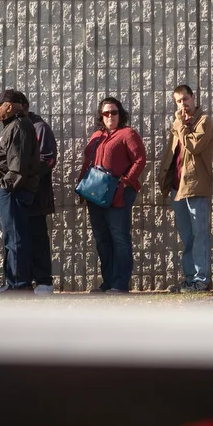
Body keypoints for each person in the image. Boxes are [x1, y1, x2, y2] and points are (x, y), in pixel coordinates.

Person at [79, 96, 146, 293]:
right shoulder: (96, 136)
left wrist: (125, 183)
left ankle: (120, 283)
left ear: (120, 114)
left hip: (118, 195)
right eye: (106, 113)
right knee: (102, 239)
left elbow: (140, 159)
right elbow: (87, 163)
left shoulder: (127, 134)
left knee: (120, 238)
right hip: (95, 194)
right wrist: (82, 185)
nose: (110, 116)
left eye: (114, 112)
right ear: (101, 116)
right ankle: (107, 282)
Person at [157, 84, 213, 293]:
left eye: (185, 99)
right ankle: (190, 278)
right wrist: (163, 178)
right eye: (179, 101)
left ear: (193, 97)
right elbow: (172, 154)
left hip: (196, 185)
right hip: (177, 187)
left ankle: (202, 279)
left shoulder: (204, 121)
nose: (183, 105)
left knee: (200, 234)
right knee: (187, 236)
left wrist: (180, 125)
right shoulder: (178, 125)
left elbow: (194, 146)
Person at [0, 89, 41, 293]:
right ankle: (14, 282)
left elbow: (17, 167)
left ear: (9, 107)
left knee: (16, 238)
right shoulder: (13, 126)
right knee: (11, 237)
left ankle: (19, 284)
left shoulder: (18, 126)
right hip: (10, 192)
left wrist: (4, 188)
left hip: (14, 192)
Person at [14, 93, 57, 295]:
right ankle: (23, 281)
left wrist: (25, 176)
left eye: (10, 105)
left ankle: (44, 281)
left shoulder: (39, 127)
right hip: (17, 195)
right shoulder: (14, 127)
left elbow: (48, 159)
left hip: (35, 195)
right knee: (21, 239)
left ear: (23, 106)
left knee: (37, 237)